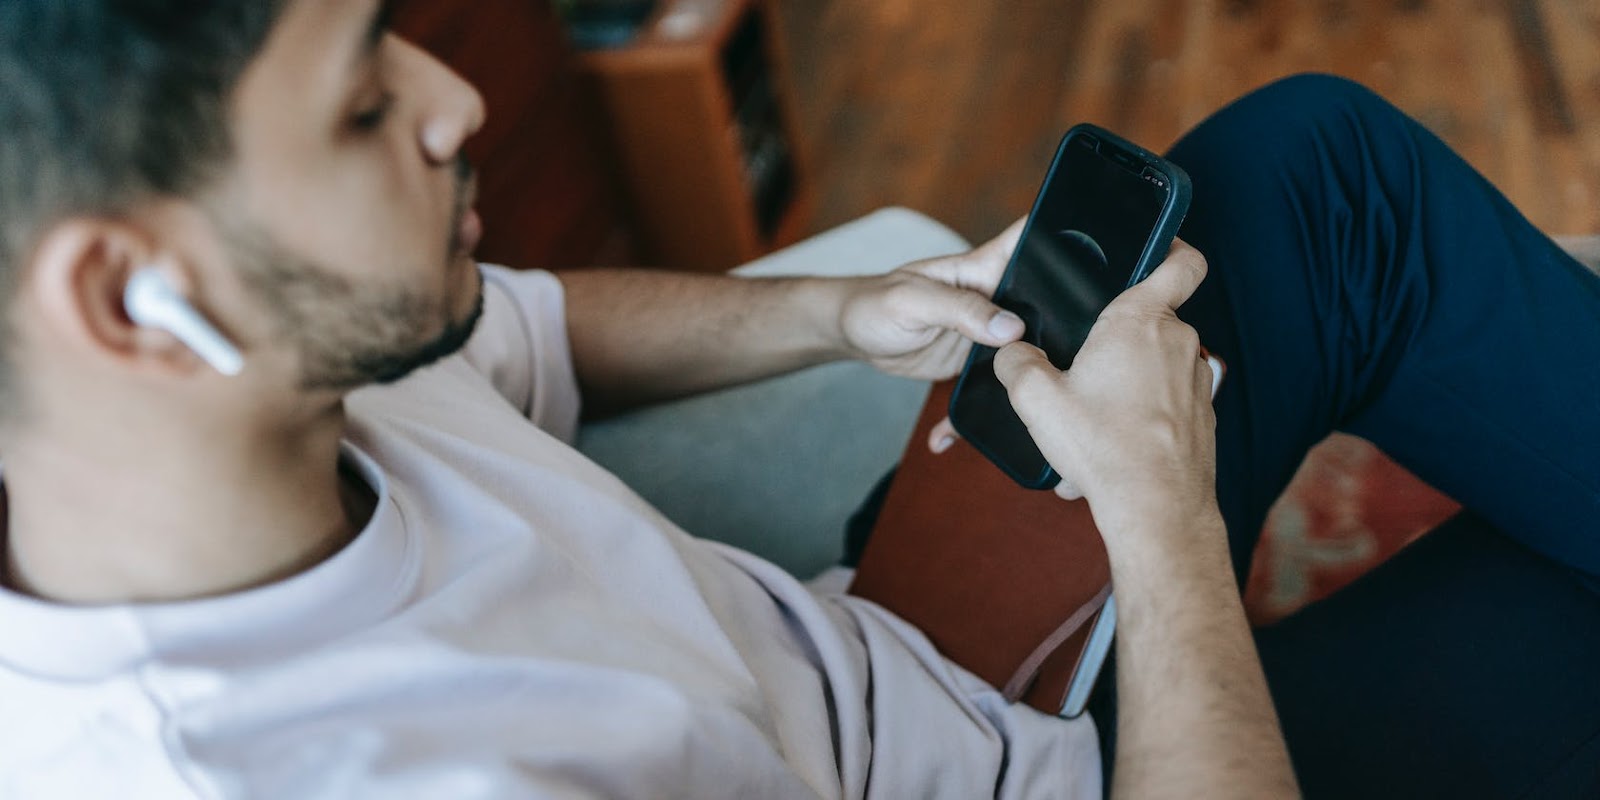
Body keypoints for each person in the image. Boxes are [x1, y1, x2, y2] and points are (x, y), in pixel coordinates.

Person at [0, 3, 1593, 799]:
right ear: (125, 297)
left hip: (891, 657)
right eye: (363, 103)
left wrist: (840, 313)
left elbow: (527, 332)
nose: (456, 97)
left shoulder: (271, 382)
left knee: (1318, 167)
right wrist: (1160, 514)